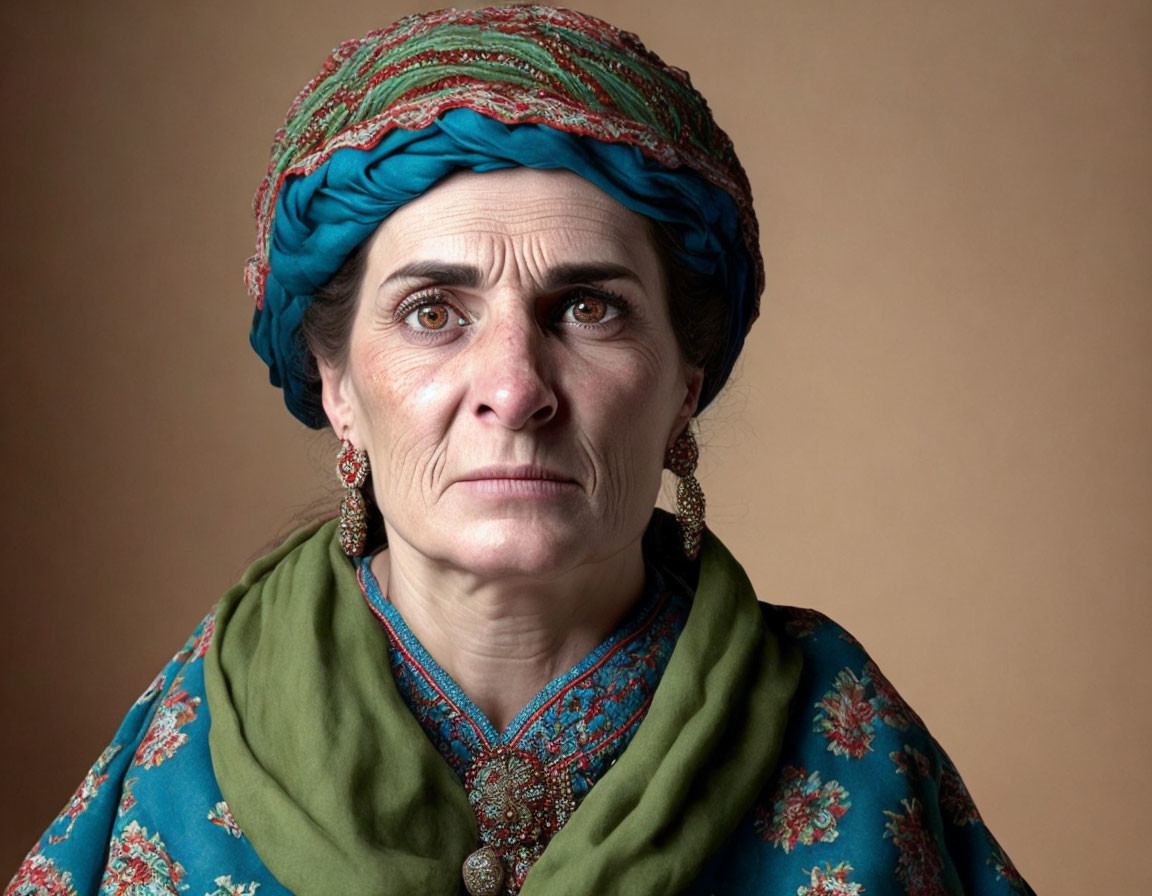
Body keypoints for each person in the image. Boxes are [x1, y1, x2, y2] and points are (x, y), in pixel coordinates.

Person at [7, 7, 1034, 896]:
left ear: (684, 378)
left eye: (588, 307)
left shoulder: (841, 728)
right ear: (336, 388)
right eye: (432, 312)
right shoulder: (197, 740)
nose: (516, 385)